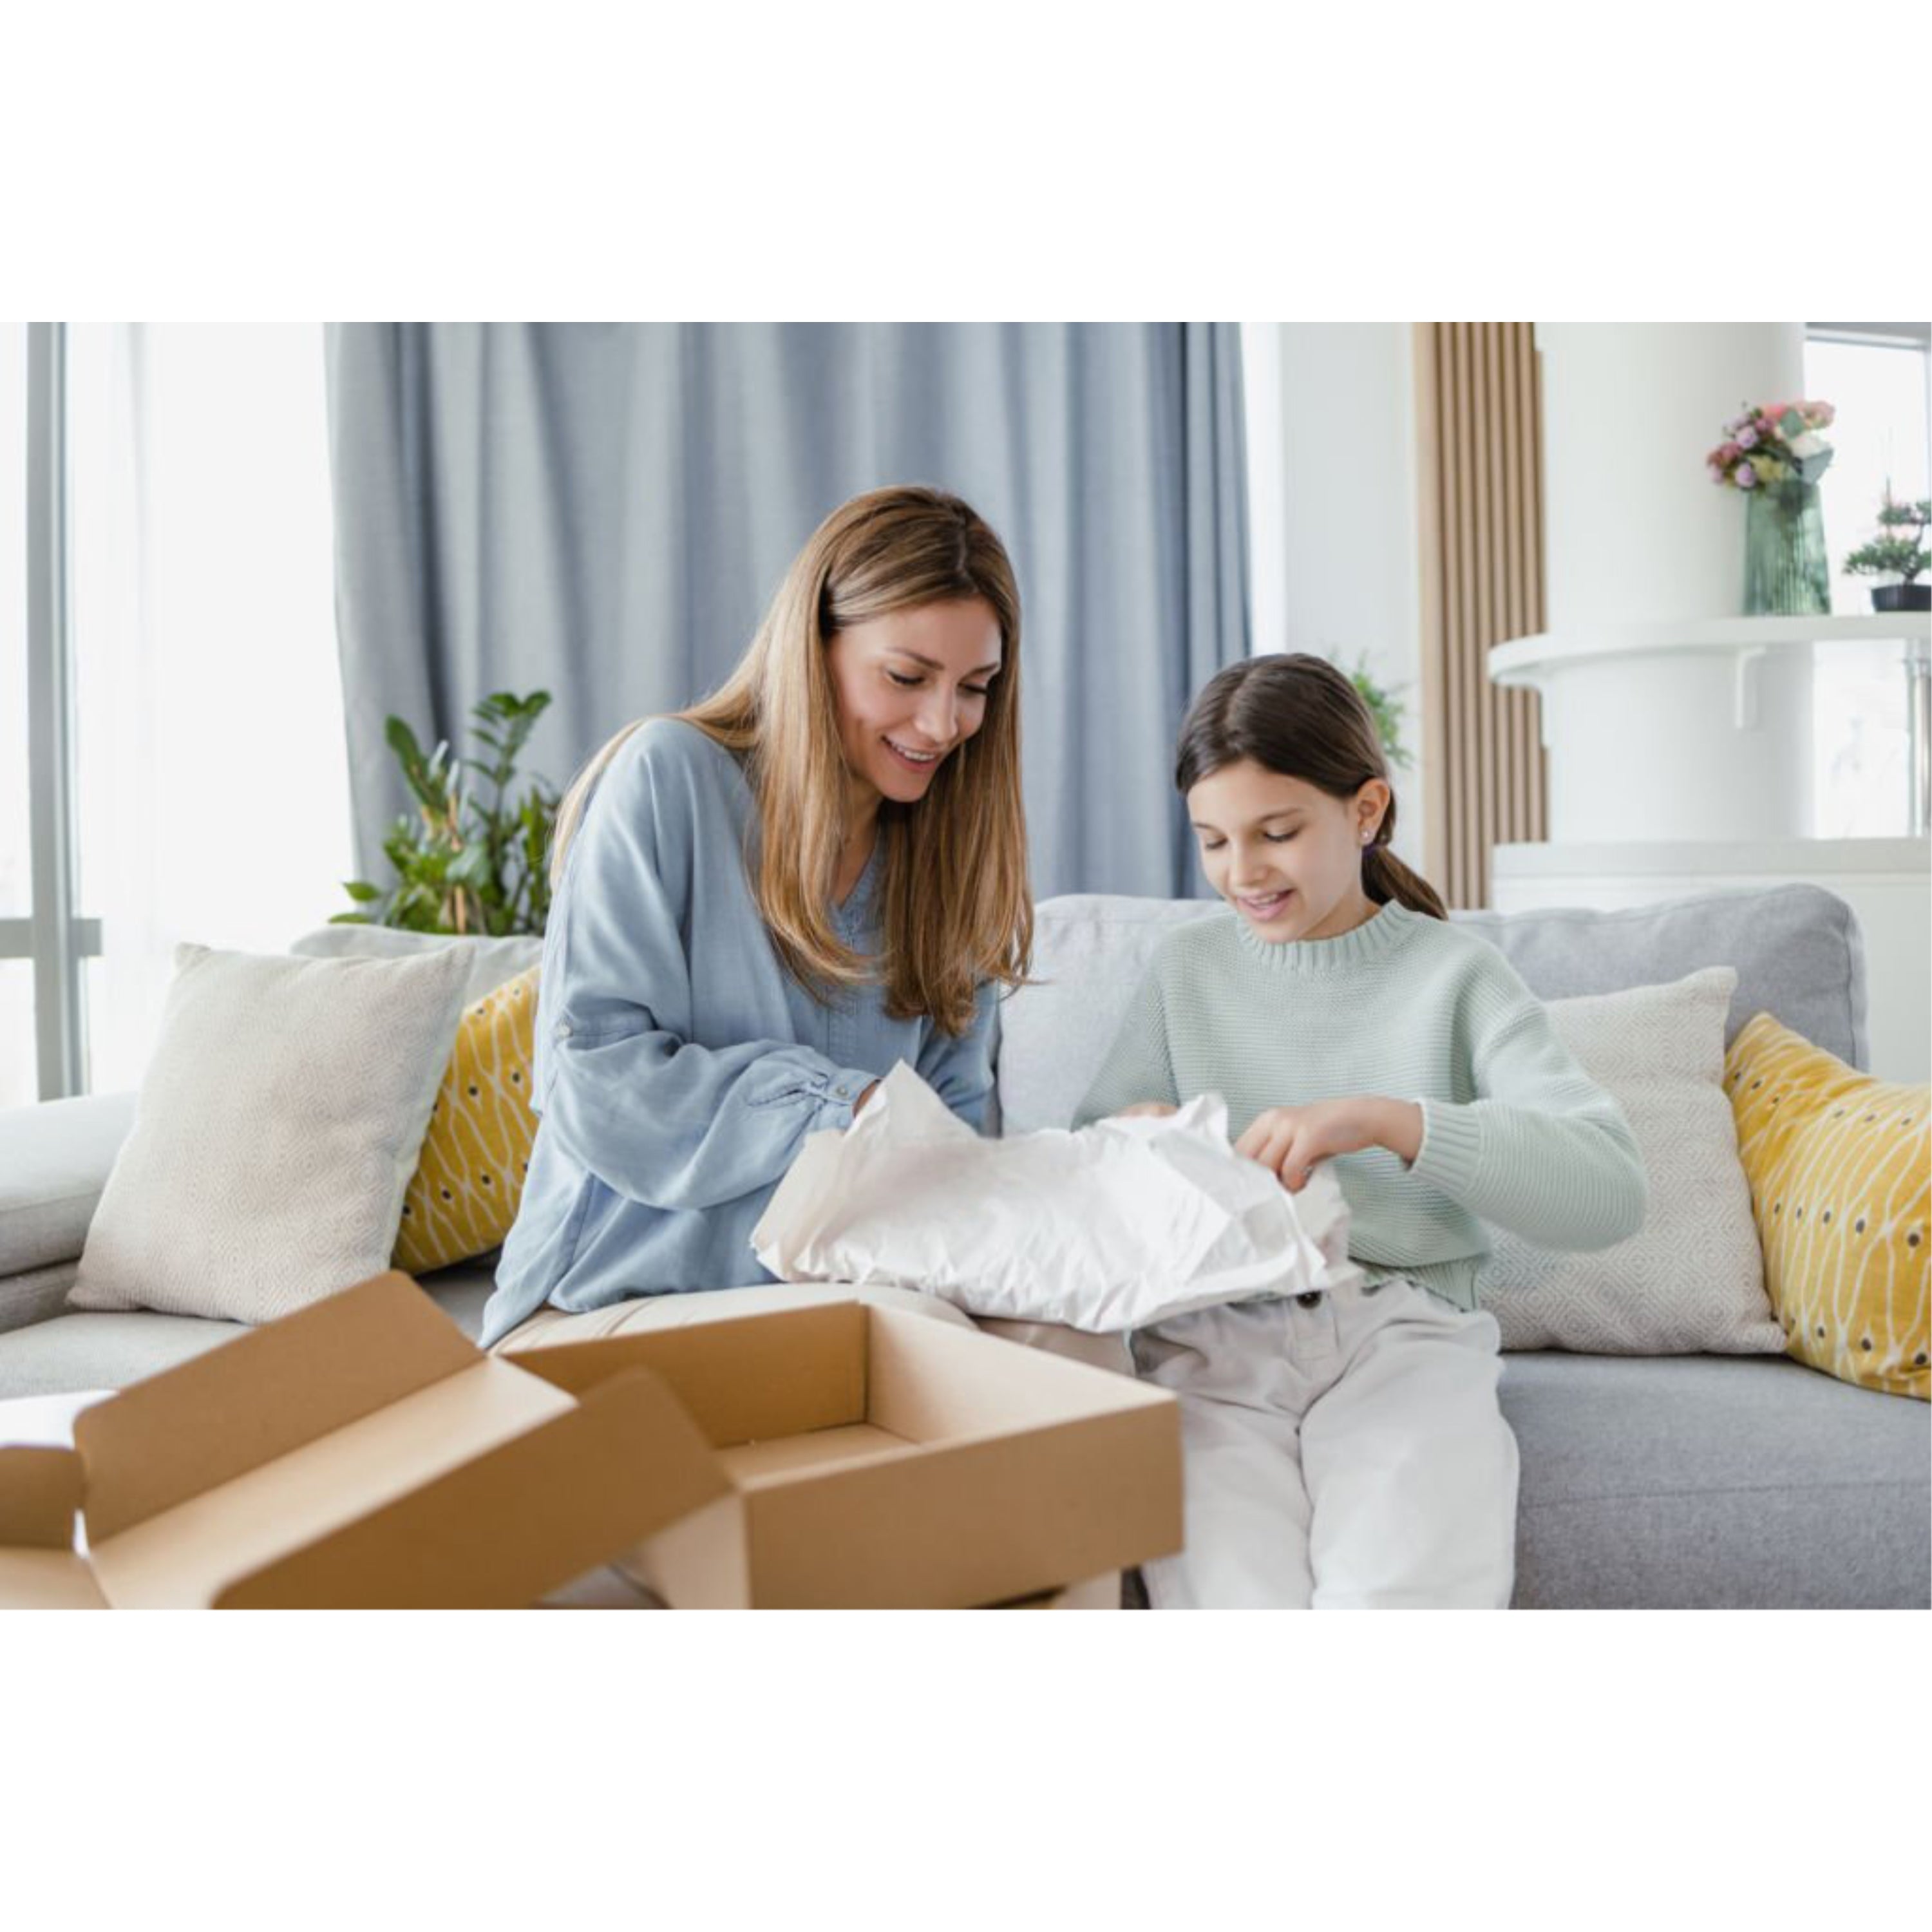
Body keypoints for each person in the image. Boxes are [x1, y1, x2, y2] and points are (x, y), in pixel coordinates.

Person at [1075, 654, 1645, 1607]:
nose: (1242, 873)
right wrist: (1136, 1141)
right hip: (1215, 1348)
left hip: (1403, 1340)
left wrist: (1388, 1121)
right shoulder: (1185, 972)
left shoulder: (1457, 975)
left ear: (1366, 811)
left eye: (1278, 833)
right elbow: (1086, 1169)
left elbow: (1611, 1191)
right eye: (1213, 841)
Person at [480, 486, 1032, 1352]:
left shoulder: (947, 869)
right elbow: (596, 1079)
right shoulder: (668, 779)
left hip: (833, 1306)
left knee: (1057, 1351)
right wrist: (841, 1108)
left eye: (976, 688)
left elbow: (945, 1144)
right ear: (815, 646)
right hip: (601, 1304)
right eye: (906, 677)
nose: (942, 723)